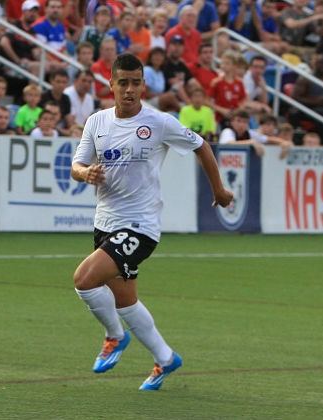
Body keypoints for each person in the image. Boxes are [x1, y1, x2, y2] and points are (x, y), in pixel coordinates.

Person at [70, 53, 233, 391]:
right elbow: (77, 165)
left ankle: (114, 336)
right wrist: (87, 173)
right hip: (105, 224)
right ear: (111, 85)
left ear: (143, 85)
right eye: (123, 83)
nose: (130, 90)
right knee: (125, 300)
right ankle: (165, 357)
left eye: (136, 83)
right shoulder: (97, 122)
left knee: (84, 280)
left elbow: (202, 146)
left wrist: (218, 189)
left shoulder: (159, 123)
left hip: (140, 226)